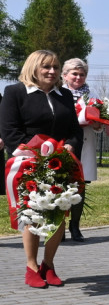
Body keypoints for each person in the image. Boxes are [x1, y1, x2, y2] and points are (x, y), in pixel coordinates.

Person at [0, 50, 83, 287]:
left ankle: (49, 264)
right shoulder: (15, 92)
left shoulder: (65, 95)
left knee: (58, 213)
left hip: (60, 164)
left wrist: (69, 145)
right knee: (33, 215)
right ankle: (31, 266)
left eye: (56, 67)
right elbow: (9, 131)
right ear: (33, 68)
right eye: (46, 67)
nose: (52, 71)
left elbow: (75, 130)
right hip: (29, 164)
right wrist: (35, 153)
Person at [62, 57, 101, 241]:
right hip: (64, 144)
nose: (78, 77)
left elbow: (100, 121)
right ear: (64, 75)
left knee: (80, 186)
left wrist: (96, 123)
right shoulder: (57, 94)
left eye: (82, 74)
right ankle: (58, 227)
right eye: (74, 74)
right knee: (59, 184)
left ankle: (75, 227)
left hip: (85, 143)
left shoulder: (91, 96)